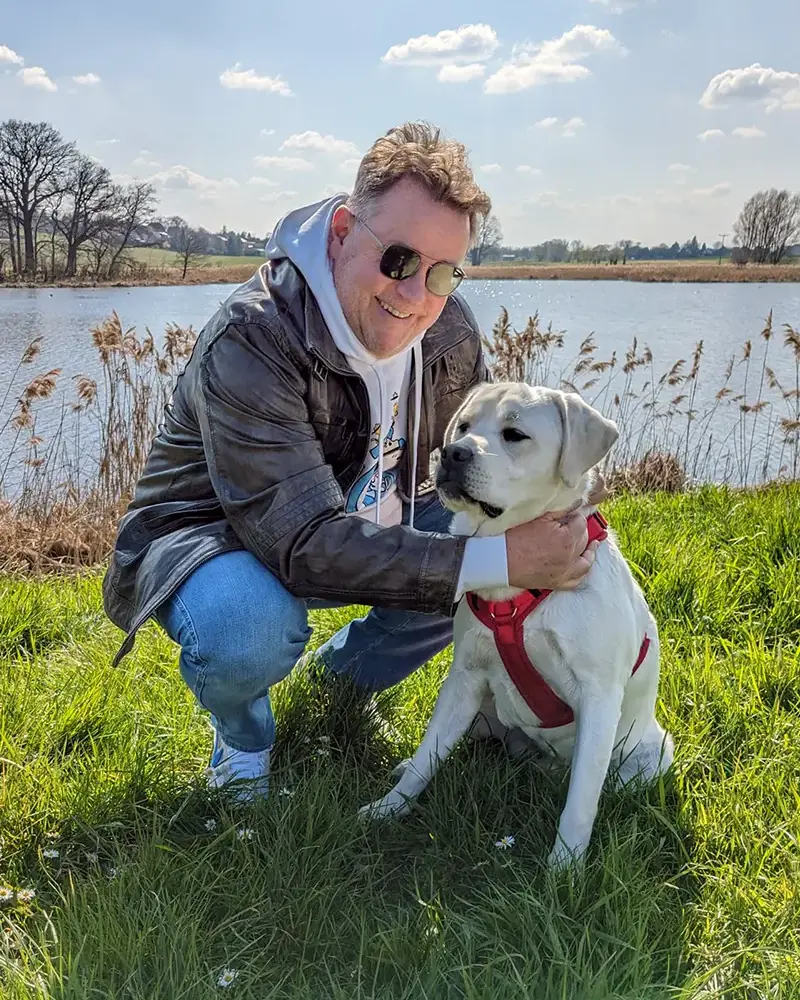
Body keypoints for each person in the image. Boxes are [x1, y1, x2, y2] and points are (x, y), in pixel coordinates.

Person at [103, 121, 604, 800]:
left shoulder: (448, 328)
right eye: (398, 259)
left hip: (370, 508)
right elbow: (304, 541)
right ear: (341, 233)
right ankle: (244, 741)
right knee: (247, 629)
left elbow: (483, 468)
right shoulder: (254, 336)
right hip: (219, 534)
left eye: (443, 273)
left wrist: (546, 522)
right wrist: (506, 559)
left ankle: (331, 686)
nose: (416, 294)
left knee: (471, 577)